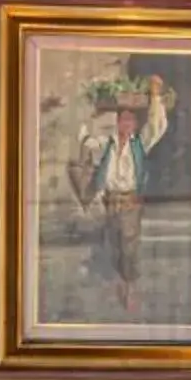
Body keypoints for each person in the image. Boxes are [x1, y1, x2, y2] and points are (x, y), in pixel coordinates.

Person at [70, 75, 171, 315]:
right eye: (122, 120)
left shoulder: (140, 143)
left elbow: (158, 126)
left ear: (135, 125)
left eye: (129, 121)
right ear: (117, 122)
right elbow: (85, 140)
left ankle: (130, 288)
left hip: (130, 202)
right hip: (110, 202)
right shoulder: (108, 143)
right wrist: (88, 116)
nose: (125, 124)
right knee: (114, 245)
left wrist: (155, 96)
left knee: (130, 246)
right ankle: (120, 284)